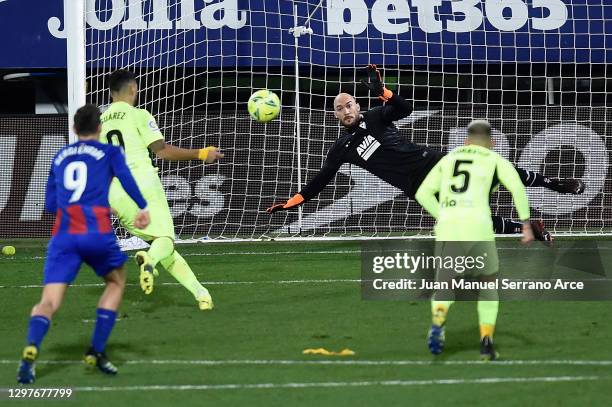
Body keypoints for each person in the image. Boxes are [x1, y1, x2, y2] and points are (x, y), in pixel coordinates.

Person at [267, 65, 585, 242]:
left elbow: (405, 108)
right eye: (340, 109)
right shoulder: (341, 149)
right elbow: (320, 181)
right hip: (420, 188)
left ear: (357, 106)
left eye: (349, 104)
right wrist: (291, 202)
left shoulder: (376, 116)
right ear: (335, 116)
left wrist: (383, 91)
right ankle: (525, 229)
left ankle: (554, 184)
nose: (346, 110)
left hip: (432, 162)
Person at [17, 104, 150, 384]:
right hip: (96, 233)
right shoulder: (109, 152)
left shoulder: (59, 156)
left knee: (48, 302)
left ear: (75, 129)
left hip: (64, 236)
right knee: (116, 283)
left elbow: (51, 204)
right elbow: (125, 178)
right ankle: (96, 351)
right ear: (99, 128)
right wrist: (142, 207)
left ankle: (31, 349)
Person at [101, 69, 223, 310]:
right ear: (134, 89)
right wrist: (202, 154)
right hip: (141, 183)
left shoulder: (98, 122)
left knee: (161, 242)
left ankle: (201, 294)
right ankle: (149, 260)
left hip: (114, 191)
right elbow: (162, 151)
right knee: (165, 240)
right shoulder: (138, 114)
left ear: (110, 92)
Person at [415, 119, 534, 360]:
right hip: (478, 227)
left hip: (449, 228)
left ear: (466, 140)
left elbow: (422, 193)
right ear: (493, 142)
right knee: (488, 284)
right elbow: (518, 188)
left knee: (445, 283)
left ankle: (438, 320)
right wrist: (526, 224)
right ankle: (486, 341)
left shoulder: (449, 159)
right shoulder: (495, 159)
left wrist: (443, 214)